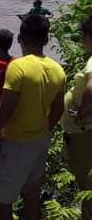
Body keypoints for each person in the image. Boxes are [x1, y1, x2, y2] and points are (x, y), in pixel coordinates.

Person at [0, 14, 66, 220]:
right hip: (40, 140)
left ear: (20, 38)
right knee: (31, 195)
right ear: (46, 40)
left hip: (16, 143)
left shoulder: (18, 67)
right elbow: (58, 110)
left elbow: (4, 110)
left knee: (1, 200)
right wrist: (45, 128)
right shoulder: (58, 70)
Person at [61, 14, 92, 219]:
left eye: (82, 35)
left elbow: (91, 88)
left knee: (86, 184)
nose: (81, 40)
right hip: (85, 131)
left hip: (84, 132)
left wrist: (81, 113)